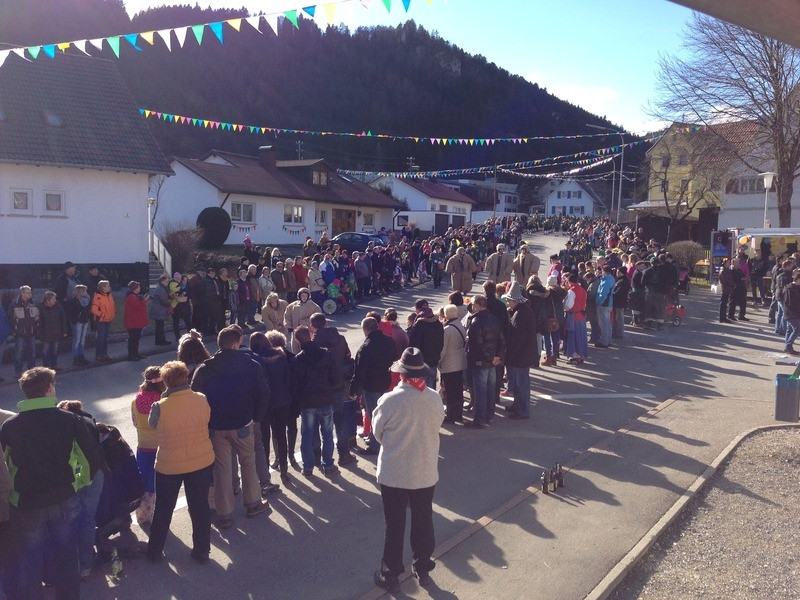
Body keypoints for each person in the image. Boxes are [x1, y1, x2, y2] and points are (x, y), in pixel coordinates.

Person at [0, 367, 97, 599]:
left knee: (30, 560)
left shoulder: (10, 427)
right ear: (50, 389)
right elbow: (91, 458)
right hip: (63, 498)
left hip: (27, 503)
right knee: (66, 557)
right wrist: (78, 483)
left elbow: (7, 465)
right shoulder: (69, 419)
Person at [372, 347, 444, 591]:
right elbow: (438, 424)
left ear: (401, 375)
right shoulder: (434, 398)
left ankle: (390, 572)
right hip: (424, 469)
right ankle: (422, 565)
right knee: (423, 519)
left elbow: (377, 433)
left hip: (394, 471)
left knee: (394, 524)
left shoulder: (390, 400)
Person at [191, 326, 271, 529]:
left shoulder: (205, 368)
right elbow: (263, 394)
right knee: (248, 462)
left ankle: (224, 513)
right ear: (236, 344)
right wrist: (256, 418)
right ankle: (253, 504)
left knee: (222, 470)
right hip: (243, 423)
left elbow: (195, 396)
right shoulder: (251, 365)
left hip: (216, 427)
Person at [146, 361, 215, 563]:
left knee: (164, 507)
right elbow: (206, 419)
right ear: (186, 377)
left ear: (166, 383)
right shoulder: (201, 399)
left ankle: (155, 550)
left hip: (170, 464)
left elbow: (152, 426)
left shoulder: (159, 406)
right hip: (201, 460)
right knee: (199, 506)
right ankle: (202, 550)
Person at [55, 400, 106, 580]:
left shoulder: (61, 425)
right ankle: (86, 564)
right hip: (94, 473)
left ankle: (71, 565)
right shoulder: (88, 419)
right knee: (87, 519)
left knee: (68, 521)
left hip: (72, 478)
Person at [290, 326, 341, 477]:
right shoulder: (326, 354)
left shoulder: (297, 360)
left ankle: (308, 467)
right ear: (311, 335)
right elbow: (336, 378)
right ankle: (329, 464)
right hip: (325, 399)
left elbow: (294, 386)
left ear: (297, 341)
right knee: (327, 433)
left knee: (307, 435)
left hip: (307, 403)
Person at [311, 313, 357, 467]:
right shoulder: (341, 339)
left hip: (321, 387)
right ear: (326, 323)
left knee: (321, 424)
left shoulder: (314, 343)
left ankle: (321, 458)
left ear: (313, 326)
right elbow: (347, 358)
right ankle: (344, 454)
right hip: (338, 384)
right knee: (340, 420)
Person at [250, 332, 295, 482]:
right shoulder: (280, 356)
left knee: (263, 439)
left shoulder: (254, 360)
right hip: (282, 400)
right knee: (280, 435)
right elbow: (288, 379)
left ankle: (265, 474)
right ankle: (284, 470)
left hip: (263, 405)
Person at [350, 317, 396, 454]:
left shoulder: (366, 347)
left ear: (365, 329)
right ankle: (379, 438)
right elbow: (395, 356)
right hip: (385, 380)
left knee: (374, 415)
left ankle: (375, 445)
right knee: (385, 412)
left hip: (371, 384)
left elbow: (359, 371)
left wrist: (353, 390)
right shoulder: (388, 341)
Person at [131, 366, 165, 526]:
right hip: (161, 447)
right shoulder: (162, 401)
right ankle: (158, 515)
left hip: (143, 446)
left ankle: (143, 515)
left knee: (144, 482)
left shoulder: (135, 400)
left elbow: (135, 422)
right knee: (160, 482)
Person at [464, 294, 505, 428]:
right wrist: (497, 356)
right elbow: (501, 340)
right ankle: (489, 415)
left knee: (480, 391)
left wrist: (490, 358)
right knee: (491, 389)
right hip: (492, 361)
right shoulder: (495, 319)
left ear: (476, 305)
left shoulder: (476, 322)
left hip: (480, 361)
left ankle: (479, 419)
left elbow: (478, 345)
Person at [502, 282, 535, 419]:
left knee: (521, 384)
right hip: (524, 353)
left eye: (509, 300)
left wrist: (510, 353)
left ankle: (522, 410)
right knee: (519, 383)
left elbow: (518, 337)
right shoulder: (523, 311)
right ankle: (518, 406)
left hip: (521, 355)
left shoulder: (520, 314)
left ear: (515, 300)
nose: (508, 302)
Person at [439, 304, 467, 424]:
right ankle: (458, 414)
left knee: (450, 392)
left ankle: (451, 415)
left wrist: (438, 362)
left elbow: (443, 349)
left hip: (449, 364)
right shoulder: (460, 325)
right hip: (460, 361)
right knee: (458, 390)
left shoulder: (447, 330)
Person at [408, 305, 444, 390]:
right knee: (431, 387)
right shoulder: (438, 324)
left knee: (420, 388)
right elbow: (441, 342)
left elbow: (414, 345)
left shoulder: (419, 325)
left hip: (421, 362)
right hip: (434, 360)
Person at [11, 285, 39, 378]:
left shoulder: (34, 303)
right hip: (20, 333)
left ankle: (32, 370)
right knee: (19, 352)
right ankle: (18, 372)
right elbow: (10, 319)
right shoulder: (14, 304)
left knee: (32, 351)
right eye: (28, 292)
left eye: (30, 292)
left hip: (31, 332)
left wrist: (36, 328)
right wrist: (14, 331)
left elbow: (37, 317)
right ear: (22, 293)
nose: (30, 294)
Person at [284, 287, 321, 353]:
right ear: (299, 296)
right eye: (302, 295)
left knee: (307, 351)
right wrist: (289, 325)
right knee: (295, 350)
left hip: (308, 333)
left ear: (309, 296)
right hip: (295, 332)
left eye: (306, 295)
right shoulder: (292, 306)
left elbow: (317, 319)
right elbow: (287, 316)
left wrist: (303, 323)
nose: (304, 297)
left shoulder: (315, 307)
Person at [38, 290, 68, 371]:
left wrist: (64, 331)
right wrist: (39, 332)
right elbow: (38, 321)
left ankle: (54, 365)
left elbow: (63, 318)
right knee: (45, 351)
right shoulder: (40, 307)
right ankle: (45, 367)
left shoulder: (58, 305)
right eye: (53, 299)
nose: (55, 300)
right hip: (45, 332)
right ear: (48, 300)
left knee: (55, 350)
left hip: (56, 331)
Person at [563, 274, 589, 365]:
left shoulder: (572, 291)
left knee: (573, 336)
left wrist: (564, 308)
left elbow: (568, 305)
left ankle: (575, 357)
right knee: (581, 336)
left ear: (569, 281)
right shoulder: (583, 290)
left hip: (573, 316)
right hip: (581, 316)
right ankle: (581, 355)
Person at [124, 281, 149, 361]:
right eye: (138, 287)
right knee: (133, 338)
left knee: (136, 338)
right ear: (134, 288)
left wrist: (145, 302)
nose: (140, 288)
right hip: (133, 321)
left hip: (136, 320)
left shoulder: (135, 296)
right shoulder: (131, 297)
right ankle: (131, 355)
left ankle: (135, 353)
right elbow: (138, 306)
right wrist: (144, 301)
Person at [91, 279, 115, 362]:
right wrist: (103, 315)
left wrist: (111, 315)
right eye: (107, 286)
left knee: (105, 338)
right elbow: (94, 310)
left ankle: (104, 354)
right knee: (101, 338)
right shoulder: (98, 296)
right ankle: (98, 355)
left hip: (108, 319)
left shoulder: (109, 295)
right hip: (101, 320)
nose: (109, 287)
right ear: (103, 288)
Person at [149, 274, 173, 346]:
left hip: (158, 310)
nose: (167, 282)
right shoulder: (161, 289)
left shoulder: (160, 287)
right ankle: (161, 341)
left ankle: (159, 340)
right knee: (160, 327)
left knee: (159, 326)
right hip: (159, 310)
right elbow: (163, 300)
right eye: (166, 281)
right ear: (162, 281)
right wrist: (171, 304)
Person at [594, 266, 615, 348]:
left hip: (603, 304)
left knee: (603, 324)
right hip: (608, 304)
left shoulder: (606, 281)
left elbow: (603, 294)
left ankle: (604, 341)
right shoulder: (610, 278)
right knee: (607, 323)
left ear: (604, 271)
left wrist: (598, 302)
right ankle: (608, 340)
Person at [170, 273, 192, 337]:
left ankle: (190, 335)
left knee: (188, 322)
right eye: (184, 280)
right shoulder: (176, 286)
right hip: (177, 306)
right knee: (176, 323)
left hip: (186, 306)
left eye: (186, 280)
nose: (185, 281)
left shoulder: (188, 286)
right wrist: (179, 295)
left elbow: (191, 295)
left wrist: (186, 295)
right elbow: (171, 294)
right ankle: (177, 336)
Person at [612, 266, 630, 340]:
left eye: (618, 272)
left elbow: (619, 292)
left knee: (619, 318)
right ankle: (615, 332)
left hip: (620, 302)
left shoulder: (624, 281)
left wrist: (612, 293)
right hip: (617, 301)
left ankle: (619, 333)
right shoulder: (619, 280)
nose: (617, 273)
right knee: (616, 318)